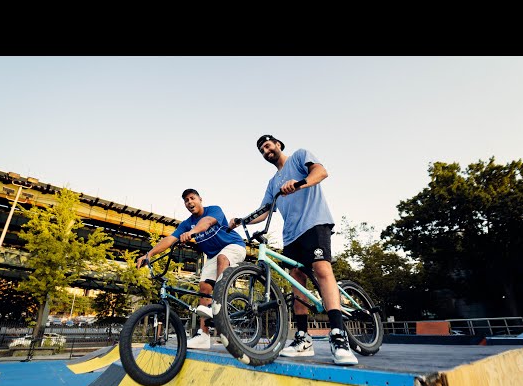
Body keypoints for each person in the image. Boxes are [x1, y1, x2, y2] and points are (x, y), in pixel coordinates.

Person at [228, 134, 358, 365]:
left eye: (268, 145)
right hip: (291, 234)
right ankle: (302, 337)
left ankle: (338, 336)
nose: (266, 151)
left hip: (314, 222)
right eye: (262, 150)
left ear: (278, 144)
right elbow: (265, 210)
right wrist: (242, 220)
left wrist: (300, 183)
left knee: (321, 269)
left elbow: (321, 172)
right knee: (296, 281)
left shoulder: (299, 156)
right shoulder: (272, 182)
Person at [136, 188, 246, 349]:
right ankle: (203, 335)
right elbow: (170, 239)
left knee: (223, 259)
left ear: (200, 199)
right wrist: (149, 254)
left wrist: (192, 232)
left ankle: (219, 305)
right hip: (213, 255)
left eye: (192, 198)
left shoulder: (214, 210)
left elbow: (207, 222)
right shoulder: (186, 223)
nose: (189, 202)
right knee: (204, 287)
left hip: (234, 246)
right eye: (186, 201)